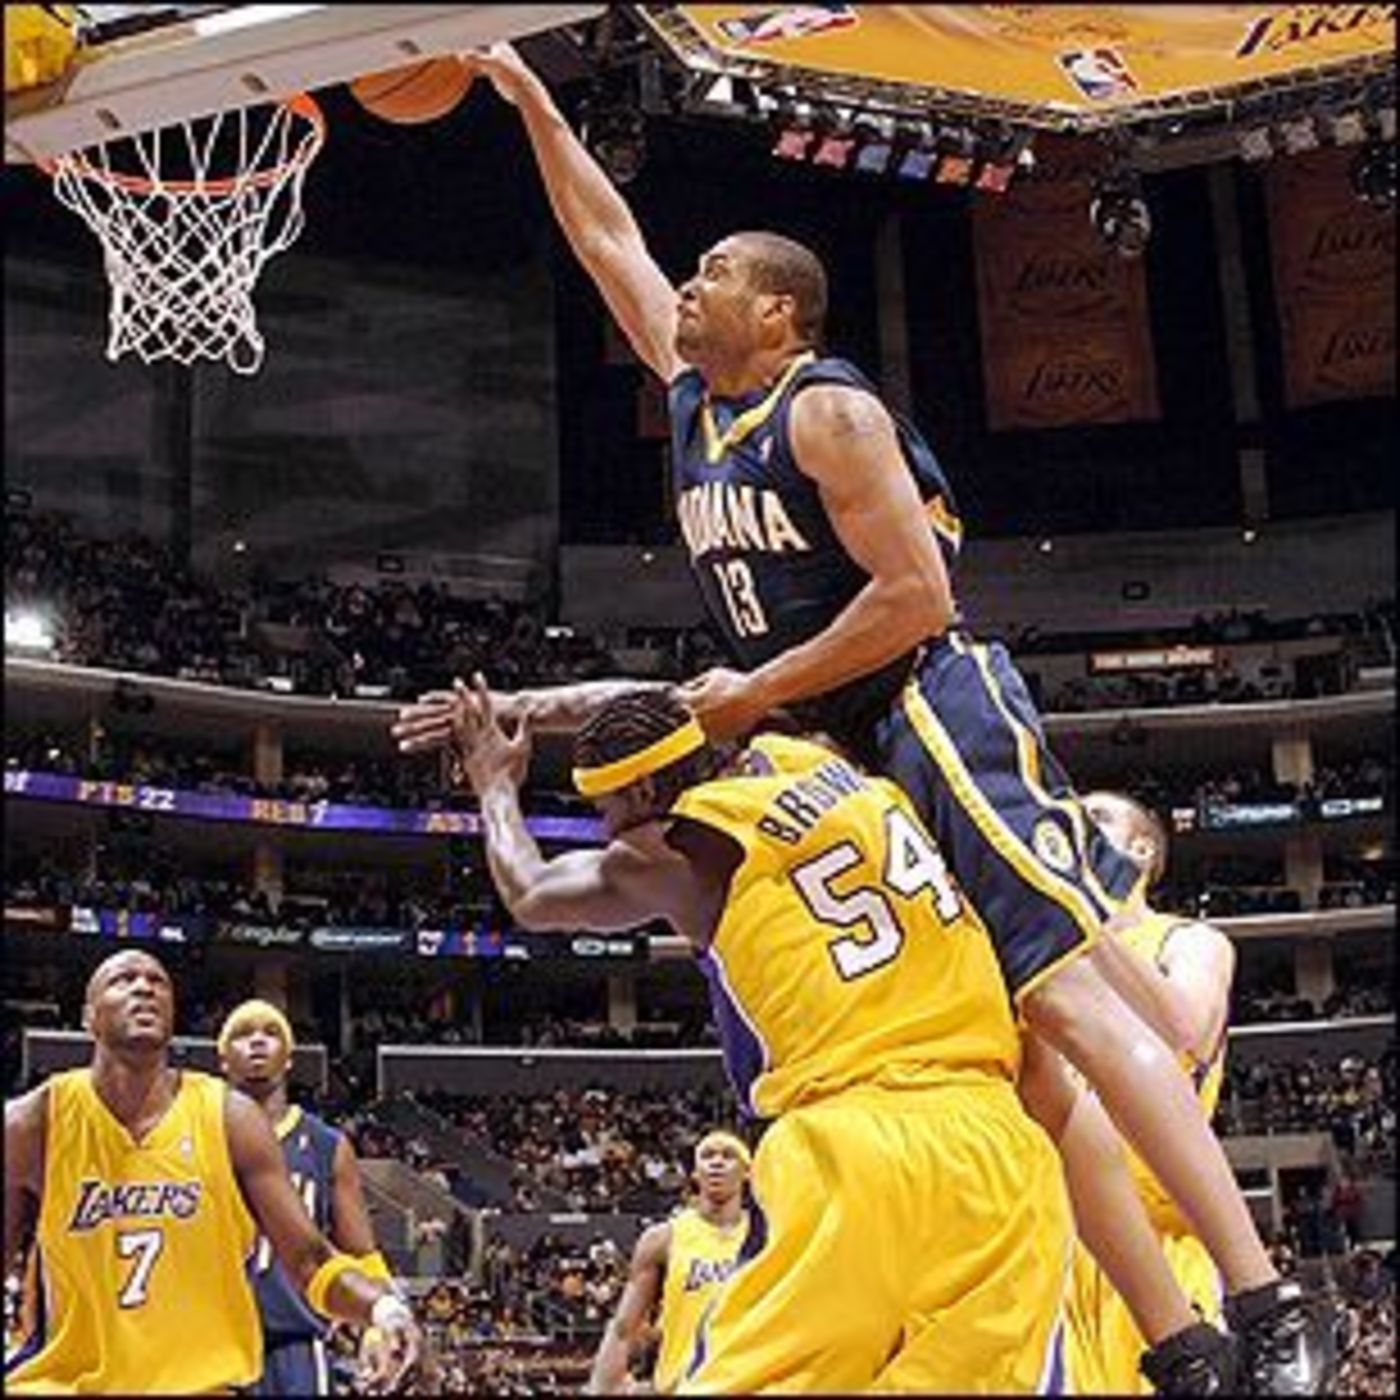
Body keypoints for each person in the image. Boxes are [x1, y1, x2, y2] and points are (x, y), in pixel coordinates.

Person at [393, 42, 1335, 1392]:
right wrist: (527, 98)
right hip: (825, 731)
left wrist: (758, 691)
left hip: (923, 704)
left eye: (716, 271)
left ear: (778, 311)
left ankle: (1266, 1298)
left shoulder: (825, 409)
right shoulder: (695, 402)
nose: (688, 286)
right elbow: (605, 242)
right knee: (1026, 1072)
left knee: (1068, 1000)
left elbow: (915, 597)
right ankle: (1178, 1347)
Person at [449, 679, 1076, 1393]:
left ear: (646, 790)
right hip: (1000, 1143)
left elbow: (531, 894)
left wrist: (494, 785)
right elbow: (682, 697)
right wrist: (528, 705)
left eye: (606, 808)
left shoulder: (676, 851)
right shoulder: (814, 757)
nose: (607, 829)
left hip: (855, 1141)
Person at [3, 950, 420, 1394]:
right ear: (89, 1017)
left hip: (208, 1382)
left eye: (158, 982)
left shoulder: (230, 1119)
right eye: (123, 980)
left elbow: (310, 1260)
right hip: (68, 1385)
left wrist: (385, 1310)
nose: (144, 988)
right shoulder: (33, 1124)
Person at [1063, 792, 1243, 1395]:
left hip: (1161, 1242)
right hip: (1056, 1242)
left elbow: (1187, 1026)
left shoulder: (1189, 941)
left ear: (1141, 850)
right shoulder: (1045, 961)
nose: (1076, 821)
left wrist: (1084, 924)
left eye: (1097, 817)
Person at [219, 998, 392, 1396]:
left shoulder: (326, 1144)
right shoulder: (197, 1136)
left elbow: (361, 1252)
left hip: (294, 1344)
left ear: (289, 1058)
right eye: (243, 1034)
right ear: (223, 1059)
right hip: (213, 1342)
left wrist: (376, 1325)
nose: (257, 1041)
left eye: (271, 1033)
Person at [587, 1130, 751, 1394]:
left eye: (728, 1155)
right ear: (695, 1173)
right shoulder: (662, 1238)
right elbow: (624, 1328)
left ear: (747, 1172)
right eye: (708, 1155)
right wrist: (601, 1388)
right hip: (685, 1385)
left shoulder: (768, 1237)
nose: (717, 1162)